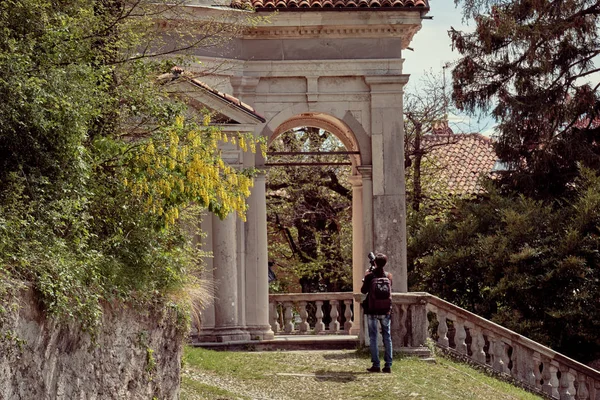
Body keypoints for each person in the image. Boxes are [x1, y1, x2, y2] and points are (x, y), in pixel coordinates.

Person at [361, 253, 393, 373]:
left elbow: (363, 291)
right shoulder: (388, 276)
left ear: (374, 263)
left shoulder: (370, 276)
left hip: (372, 309)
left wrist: (366, 276)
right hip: (386, 310)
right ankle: (388, 365)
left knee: (373, 337)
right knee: (387, 337)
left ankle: (376, 364)